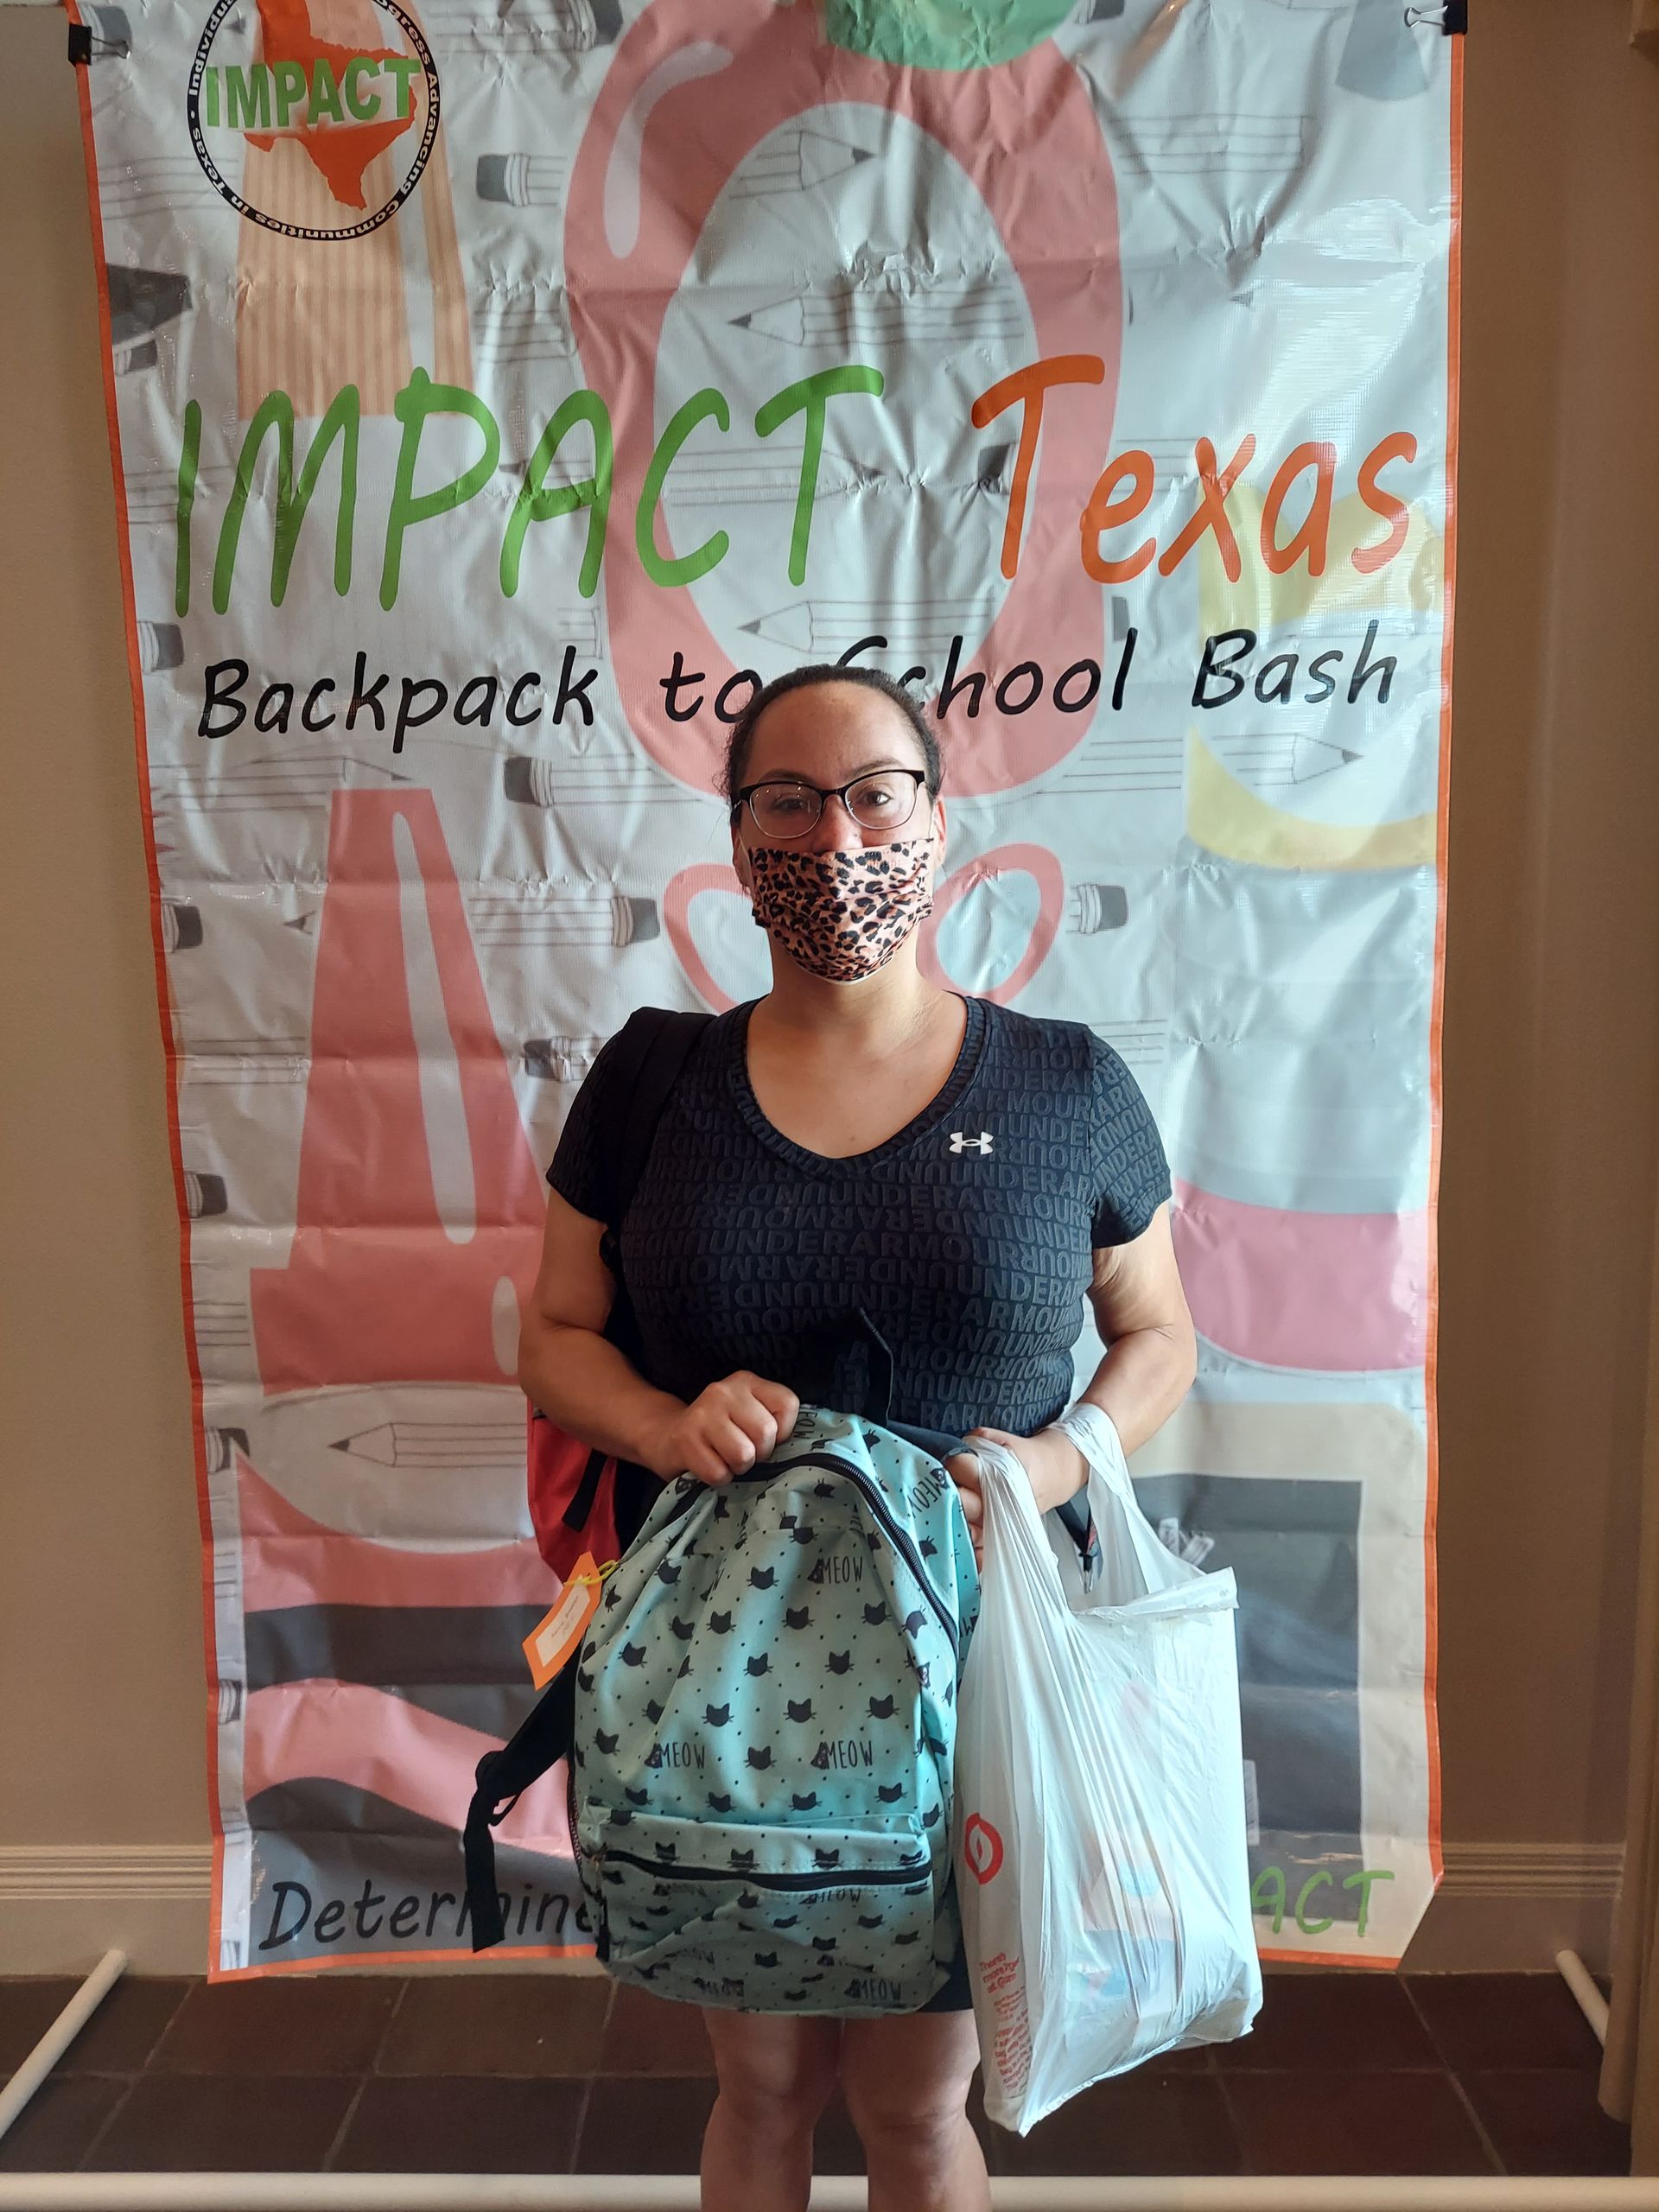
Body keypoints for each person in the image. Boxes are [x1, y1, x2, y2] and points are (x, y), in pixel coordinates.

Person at [518, 663, 1198, 2212]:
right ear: (738, 837)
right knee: (759, 2086)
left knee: (917, 2103)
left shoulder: (1068, 1085)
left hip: (978, 1672)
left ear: (938, 820)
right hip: (722, 1675)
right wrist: (665, 1421)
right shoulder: (652, 1080)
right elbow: (552, 1335)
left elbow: (1159, 1335)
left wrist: (1057, 1457)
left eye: (878, 795)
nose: (839, 838)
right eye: (790, 800)